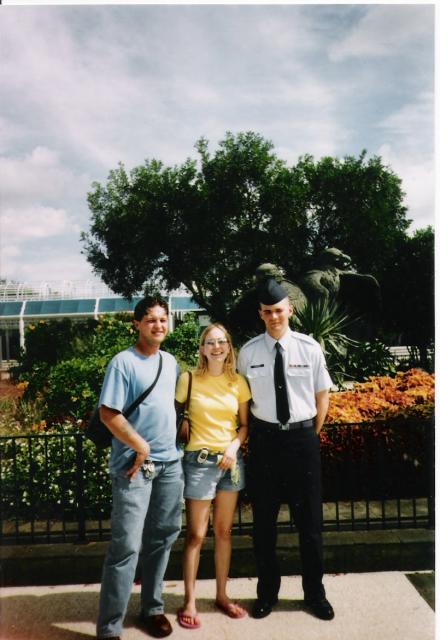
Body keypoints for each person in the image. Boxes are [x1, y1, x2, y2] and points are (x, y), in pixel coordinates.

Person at [237, 278, 335, 621]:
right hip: (264, 443)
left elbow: (322, 397)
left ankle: (315, 595)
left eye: (279, 310)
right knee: (263, 525)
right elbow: (242, 402)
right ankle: (267, 595)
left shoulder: (310, 348)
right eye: (267, 312)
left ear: (289, 310)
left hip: (301, 441)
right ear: (260, 314)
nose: (274, 316)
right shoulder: (248, 353)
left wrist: (308, 433)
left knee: (310, 526)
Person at [96, 296, 184, 640]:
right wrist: (141, 445)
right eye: (151, 320)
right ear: (137, 324)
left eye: (163, 320)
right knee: (126, 547)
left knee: (162, 539)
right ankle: (109, 628)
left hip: (170, 465)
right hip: (135, 467)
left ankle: (153, 608)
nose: (159, 326)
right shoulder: (123, 362)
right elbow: (108, 413)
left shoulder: (170, 361)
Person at [175, 323, 251, 629]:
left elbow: (244, 425)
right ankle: (190, 601)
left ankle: (222, 595)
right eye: (210, 342)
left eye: (222, 341)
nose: (216, 346)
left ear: (229, 347)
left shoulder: (239, 383)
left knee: (223, 533)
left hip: (230, 463)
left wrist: (233, 446)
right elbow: (175, 416)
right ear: (202, 348)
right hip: (199, 462)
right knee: (195, 535)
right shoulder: (188, 379)